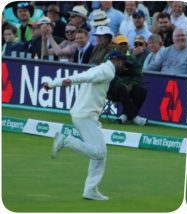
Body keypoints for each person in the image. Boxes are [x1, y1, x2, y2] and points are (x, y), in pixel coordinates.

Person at [43, 51, 130, 200]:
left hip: (83, 114)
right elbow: (83, 77)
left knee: (99, 155)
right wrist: (66, 81)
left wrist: (53, 84)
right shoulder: (107, 72)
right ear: (115, 60)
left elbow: (84, 76)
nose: (124, 67)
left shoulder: (101, 68)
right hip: (86, 116)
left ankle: (90, 190)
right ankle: (66, 140)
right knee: (100, 153)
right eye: (122, 63)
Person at [109, 35, 148, 126]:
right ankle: (134, 117)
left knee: (142, 90)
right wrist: (122, 84)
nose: (123, 46)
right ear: (115, 45)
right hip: (112, 89)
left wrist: (131, 84)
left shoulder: (132, 59)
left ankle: (124, 116)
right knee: (121, 88)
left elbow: (137, 75)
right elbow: (108, 75)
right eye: (120, 44)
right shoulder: (109, 58)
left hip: (128, 87)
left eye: (125, 44)